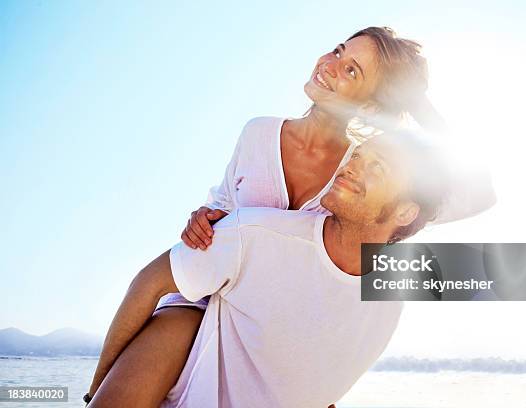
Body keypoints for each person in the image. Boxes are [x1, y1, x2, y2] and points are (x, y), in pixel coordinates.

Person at [87, 26, 465, 402]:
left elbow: (457, 184)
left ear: (369, 106)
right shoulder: (258, 134)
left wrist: (418, 103)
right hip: (201, 299)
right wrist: (203, 218)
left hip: (268, 337)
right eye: (337, 51)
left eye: (353, 70)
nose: (331, 65)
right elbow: (223, 207)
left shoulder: (358, 176)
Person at [88, 133, 450, 407]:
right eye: (359, 154)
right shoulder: (254, 235)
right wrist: (96, 390)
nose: (351, 165)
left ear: (405, 212)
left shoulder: (387, 305)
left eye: (378, 166)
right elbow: (150, 282)